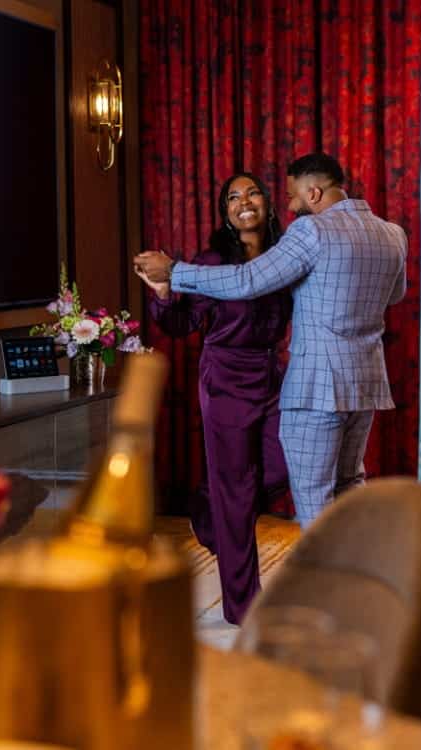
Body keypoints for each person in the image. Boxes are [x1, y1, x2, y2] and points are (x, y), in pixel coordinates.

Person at [135, 153, 407, 527]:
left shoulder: (311, 231)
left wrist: (176, 272)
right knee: (349, 487)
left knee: (314, 500)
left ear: (313, 193)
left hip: (316, 389)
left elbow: (247, 281)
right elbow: (394, 296)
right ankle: (354, 576)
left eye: (294, 197)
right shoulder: (392, 234)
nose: (291, 207)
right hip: (365, 387)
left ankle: (322, 584)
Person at [136, 172, 291, 625]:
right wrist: (164, 295)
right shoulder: (212, 260)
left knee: (283, 464)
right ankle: (244, 607)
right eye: (233, 197)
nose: (244, 201)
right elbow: (182, 325)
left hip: (272, 374)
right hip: (224, 377)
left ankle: (206, 510)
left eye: (253, 192)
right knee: (238, 494)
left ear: (268, 203)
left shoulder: (284, 256)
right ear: (225, 211)